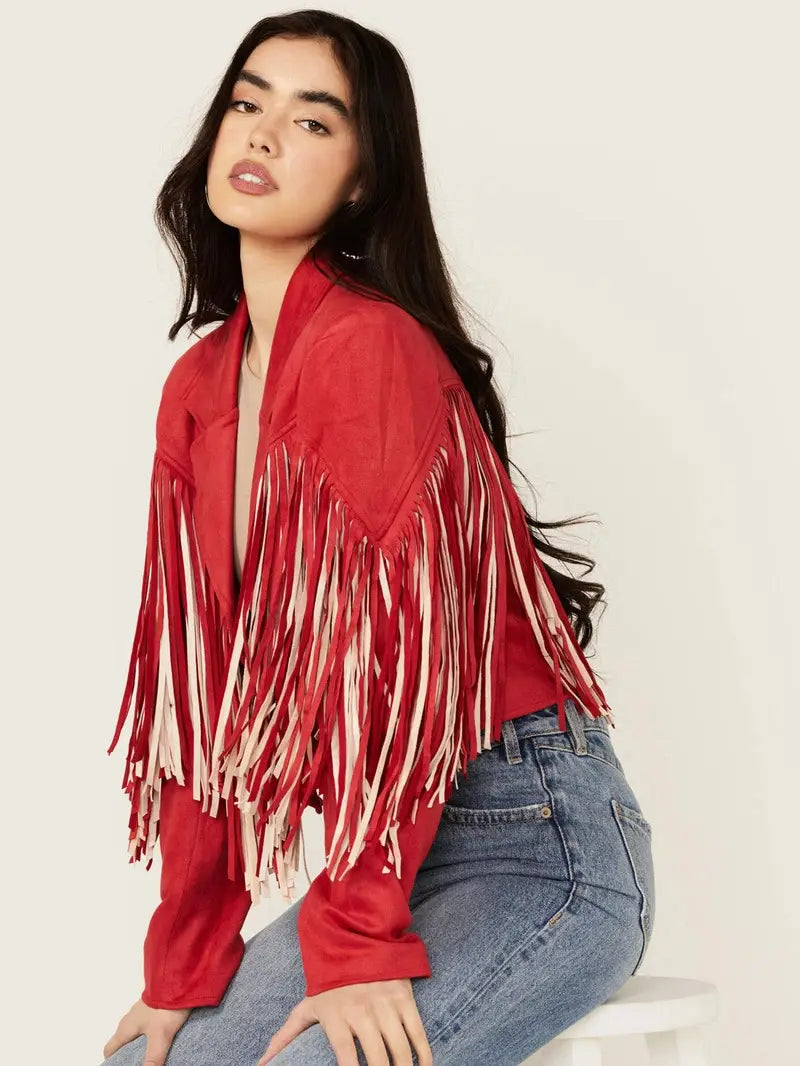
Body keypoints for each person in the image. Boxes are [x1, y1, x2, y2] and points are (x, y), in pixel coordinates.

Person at [100, 11, 655, 1066]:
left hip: (537, 841)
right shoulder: (199, 387)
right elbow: (197, 703)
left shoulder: (369, 345)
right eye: (246, 102)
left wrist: (356, 944)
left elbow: (396, 671)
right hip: (395, 857)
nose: (262, 135)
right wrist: (184, 964)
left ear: (361, 180)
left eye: (313, 121)